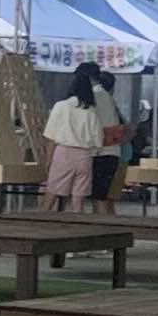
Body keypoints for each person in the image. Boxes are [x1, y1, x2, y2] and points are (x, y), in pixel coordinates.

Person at [40, 67, 111, 210]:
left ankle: (42, 218)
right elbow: (98, 141)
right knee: (78, 198)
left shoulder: (60, 106)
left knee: (52, 192)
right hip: (84, 156)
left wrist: (48, 162)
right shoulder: (91, 111)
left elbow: (51, 137)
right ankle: (78, 221)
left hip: (63, 154)